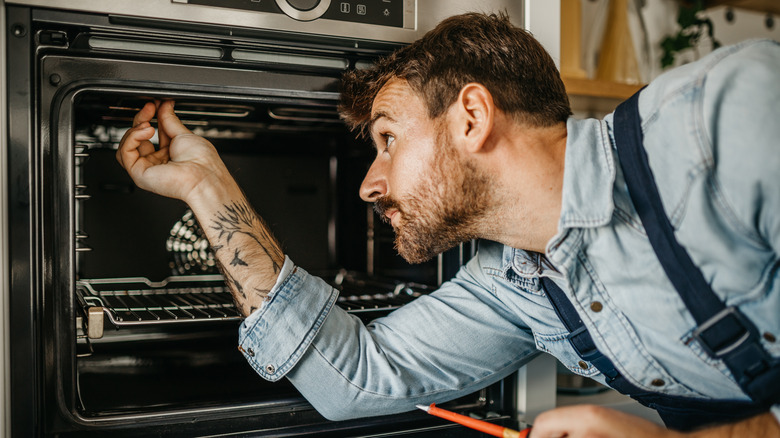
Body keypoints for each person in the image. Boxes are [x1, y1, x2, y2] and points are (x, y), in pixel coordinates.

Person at [116, 12, 780, 438]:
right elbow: (356, 379)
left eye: (387, 139)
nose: (369, 184)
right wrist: (205, 186)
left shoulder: (724, 117)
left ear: (470, 117)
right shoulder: (517, 284)